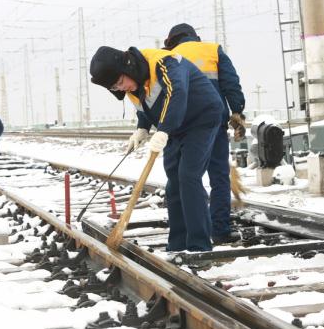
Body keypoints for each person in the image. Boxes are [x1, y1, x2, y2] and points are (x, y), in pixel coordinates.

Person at [90, 46, 223, 252]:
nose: (121, 88)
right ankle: (177, 245)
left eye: (120, 82)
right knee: (173, 182)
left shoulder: (164, 63)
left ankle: (199, 246)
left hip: (202, 117)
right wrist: (142, 129)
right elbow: (146, 106)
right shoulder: (132, 85)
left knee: (188, 176)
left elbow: (177, 92)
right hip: (177, 125)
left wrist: (163, 130)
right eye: (115, 88)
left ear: (128, 67)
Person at [164, 23, 246, 244]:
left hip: (182, 127)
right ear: (195, 37)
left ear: (172, 41)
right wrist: (237, 110)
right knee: (219, 176)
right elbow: (231, 82)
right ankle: (219, 230)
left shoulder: (169, 56)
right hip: (214, 121)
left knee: (187, 179)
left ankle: (190, 232)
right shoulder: (212, 50)